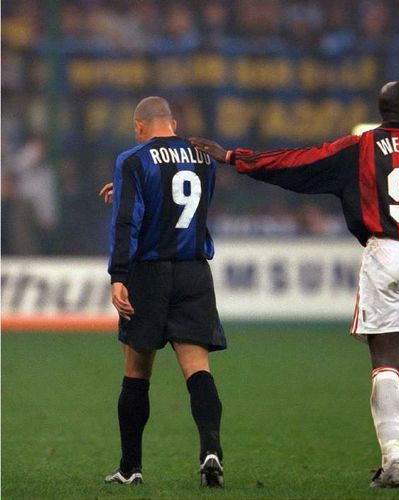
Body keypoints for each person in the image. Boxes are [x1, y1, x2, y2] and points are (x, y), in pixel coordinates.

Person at [190, 81, 399, 489]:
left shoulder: (358, 149)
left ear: (383, 111)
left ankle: (393, 459)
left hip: (383, 253)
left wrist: (233, 157)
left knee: (385, 361)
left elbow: (296, 163)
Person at [100, 96, 226, 488]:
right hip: (193, 272)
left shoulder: (133, 160)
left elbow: (127, 223)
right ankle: (210, 451)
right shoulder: (203, 157)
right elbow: (185, 204)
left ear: (139, 126)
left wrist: (118, 275)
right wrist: (127, 190)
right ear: (173, 123)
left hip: (149, 275)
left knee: (136, 372)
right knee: (197, 368)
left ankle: (130, 468)